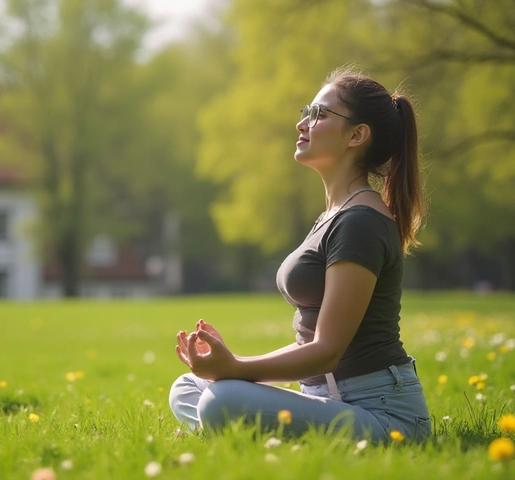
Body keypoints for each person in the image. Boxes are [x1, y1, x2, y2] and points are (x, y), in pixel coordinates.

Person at [168, 66, 431, 443]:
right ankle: (242, 428)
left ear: (357, 135)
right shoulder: (334, 216)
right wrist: (229, 365)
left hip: (382, 413)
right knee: (188, 387)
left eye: (319, 114)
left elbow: (327, 352)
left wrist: (237, 368)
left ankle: (230, 429)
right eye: (307, 111)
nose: (302, 123)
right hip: (324, 397)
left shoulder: (360, 222)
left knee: (219, 399)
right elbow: (311, 344)